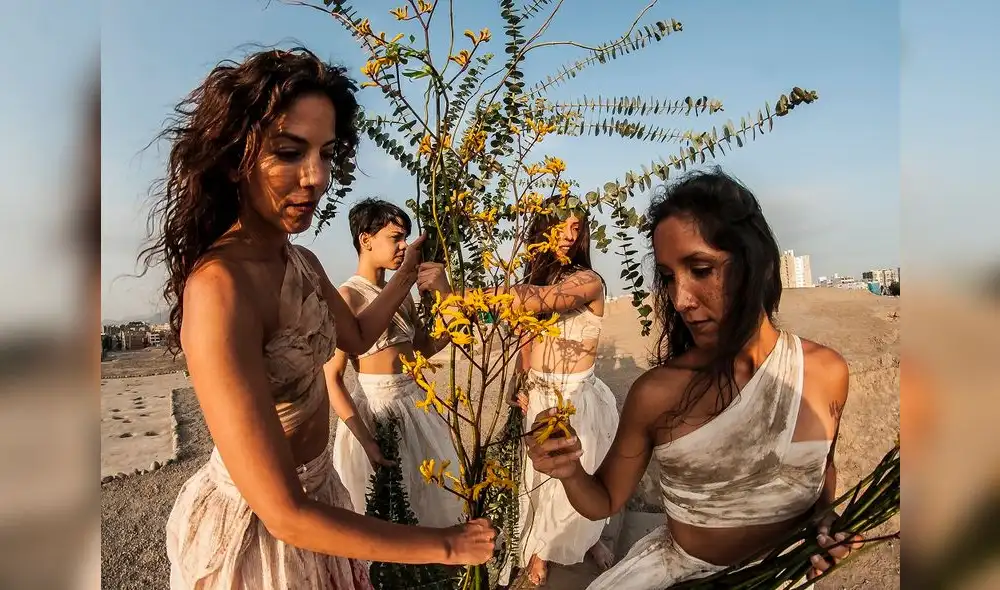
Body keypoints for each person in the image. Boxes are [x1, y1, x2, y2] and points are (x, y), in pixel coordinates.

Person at [137, 47, 495, 590]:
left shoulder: (300, 260)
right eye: (289, 152)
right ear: (236, 157)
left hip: (323, 494)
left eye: (327, 154)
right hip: (265, 533)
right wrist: (447, 544)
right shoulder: (220, 289)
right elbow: (283, 512)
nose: (316, 177)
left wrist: (406, 274)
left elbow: (353, 335)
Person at [525, 168, 863, 589]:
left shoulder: (826, 373)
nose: (680, 300)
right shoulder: (657, 394)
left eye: (701, 269)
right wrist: (569, 470)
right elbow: (604, 501)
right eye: (668, 277)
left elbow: (820, 472)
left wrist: (826, 524)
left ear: (753, 262)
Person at [420, 201, 620, 586]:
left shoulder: (588, 281)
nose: (570, 235)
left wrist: (458, 293)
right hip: (540, 397)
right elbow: (514, 331)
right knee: (538, 484)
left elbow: (538, 299)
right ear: (542, 229)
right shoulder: (537, 278)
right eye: (560, 226)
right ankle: (543, 547)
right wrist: (520, 381)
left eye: (577, 228)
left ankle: (577, 543)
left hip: (575, 397)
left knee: (579, 476)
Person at [327, 198, 464, 527]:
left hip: (416, 406)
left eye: (406, 238)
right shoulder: (347, 297)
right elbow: (332, 379)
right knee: (385, 511)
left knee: (432, 500)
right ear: (366, 238)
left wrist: (446, 295)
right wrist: (368, 441)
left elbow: (425, 348)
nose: (404, 246)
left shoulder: (400, 295)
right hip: (377, 414)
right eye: (396, 237)